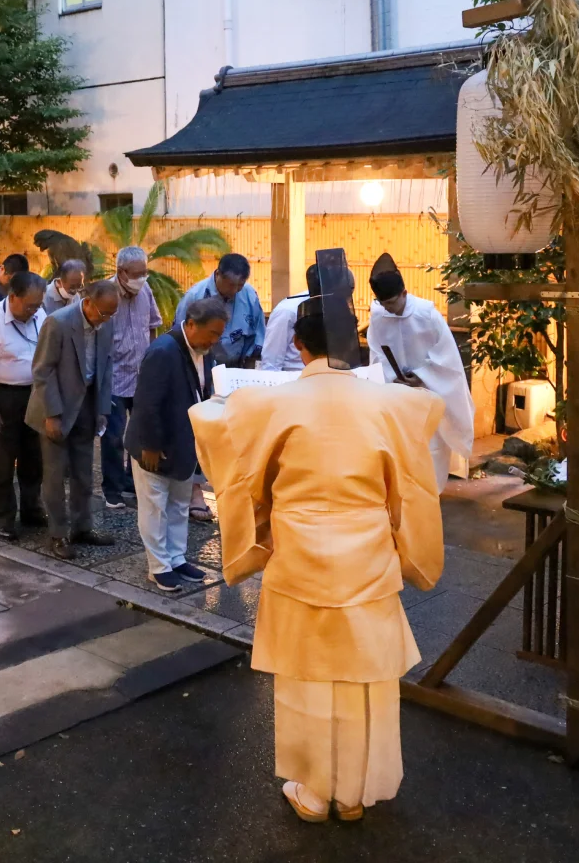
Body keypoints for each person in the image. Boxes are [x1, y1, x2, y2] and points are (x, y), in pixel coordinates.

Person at [189, 287, 444, 823]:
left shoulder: (266, 402)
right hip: (368, 559)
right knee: (364, 678)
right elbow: (417, 469)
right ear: (354, 345)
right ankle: (355, 793)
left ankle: (313, 790)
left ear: (299, 347)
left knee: (306, 676)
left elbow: (214, 428)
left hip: (300, 555)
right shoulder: (392, 402)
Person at [126, 297, 228, 591]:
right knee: (155, 506)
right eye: (212, 333)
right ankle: (158, 567)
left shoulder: (201, 348)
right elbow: (146, 402)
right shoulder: (163, 351)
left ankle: (176, 557)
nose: (215, 341)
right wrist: (151, 445)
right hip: (154, 444)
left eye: (219, 335)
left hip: (184, 441)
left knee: (179, 504)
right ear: (191, 324)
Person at [367, 253, 475, 492]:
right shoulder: (378, 317)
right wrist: (391, 378)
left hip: (428, 393)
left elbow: (447, 358)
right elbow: (376, 354)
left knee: (431, 450)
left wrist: (423, 376)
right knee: (399, 451)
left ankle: (429, 499)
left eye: (392, 303)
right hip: (396, 396)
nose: (389, 309)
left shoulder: (427, 315)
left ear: (404, 294)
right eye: (384, 305)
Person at [26, 280, 119, 560]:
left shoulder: (106, 323)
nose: (105, 320)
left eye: (111, 315)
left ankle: (83, 527)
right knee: (55, 476)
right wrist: (52, 415)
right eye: (102, 313)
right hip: (56, 408)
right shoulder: (58, 323)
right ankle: (57, 534)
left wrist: (102, 408)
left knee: (84, 473)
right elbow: (43, 372)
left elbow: (106, 367)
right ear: (87, 302)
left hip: (86, 406)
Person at [0, 271, 48, 540]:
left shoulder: (40, 315)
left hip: (34, 394)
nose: (34, 310)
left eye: (38, 305)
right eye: (29, 305)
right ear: (13, 297)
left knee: (34, 458)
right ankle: (1, 518)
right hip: (3, 396)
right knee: (2, 460)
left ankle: (32, 509)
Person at [102, 246, 162, 510]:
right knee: (113, 436)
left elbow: (153, 327)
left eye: (144, 273)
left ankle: (132, 481)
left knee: (138, 435)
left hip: (141, 377)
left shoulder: (145, 291)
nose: (141, 278)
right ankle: (112, 489)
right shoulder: (104, 294)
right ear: (121, 272)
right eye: (136, 274)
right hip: (114, 377)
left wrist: (153, 366)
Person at [175, 253, 266, 368]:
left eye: (240, 285)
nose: (234, 290)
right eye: (231, 285)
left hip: (239, 367)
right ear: (218, 274)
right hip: (201, 366)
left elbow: (259, 336)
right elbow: (180, 337)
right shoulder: (194, 296)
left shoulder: (249, 295)